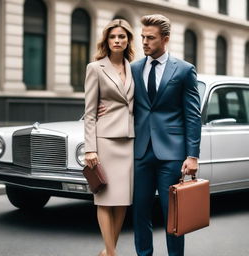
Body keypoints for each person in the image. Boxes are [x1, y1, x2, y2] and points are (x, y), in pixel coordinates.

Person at [131, 14, 201, 256]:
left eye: (150, 38)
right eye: (142, 37)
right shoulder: (133, 69)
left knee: (173, 214)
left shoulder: (184, 70)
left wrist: (192, 155)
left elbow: (193, 116)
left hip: (171, 153)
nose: (144, 42)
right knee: (140, 211)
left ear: (165, 39)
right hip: (140, 152)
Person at [83, 19, 135, 256]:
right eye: (113, 37)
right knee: (104, 200)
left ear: (127, 41)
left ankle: (107, 251)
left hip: (128, 140)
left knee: (123, 200)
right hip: (104, 141)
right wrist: (90, 148)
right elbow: (89, 112)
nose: (117, 40)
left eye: (122, 37)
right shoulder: (95, 68)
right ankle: (113, 254)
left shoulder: (135, 67)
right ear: (107, 40)